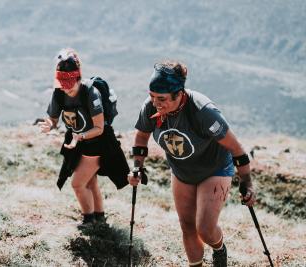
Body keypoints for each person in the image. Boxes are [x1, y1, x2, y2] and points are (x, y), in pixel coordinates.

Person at [128, 60, 256, 267]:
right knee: (187, 226)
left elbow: (236, 149)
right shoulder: (150, 107)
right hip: (182, 171)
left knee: (204, 229)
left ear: (179, 94)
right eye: (152, 96)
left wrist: (246, 182)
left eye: (162, 98)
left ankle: (219, 248)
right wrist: (137, 167)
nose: (155, 103)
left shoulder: (203, 111)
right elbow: (141, 137)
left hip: (215, 169)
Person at [39, 48, 129, 227]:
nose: (66, 87)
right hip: (77, 141)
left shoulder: (90, 92)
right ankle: (99, 218)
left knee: (78, 184)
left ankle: (89, 221)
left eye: (70, 82)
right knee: (91, 181)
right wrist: (50, 124)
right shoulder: (59, 93)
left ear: (78, 77)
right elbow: (54, 119)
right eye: (62, 82)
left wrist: (80, 136)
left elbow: (99, 127)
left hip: (96, 142)